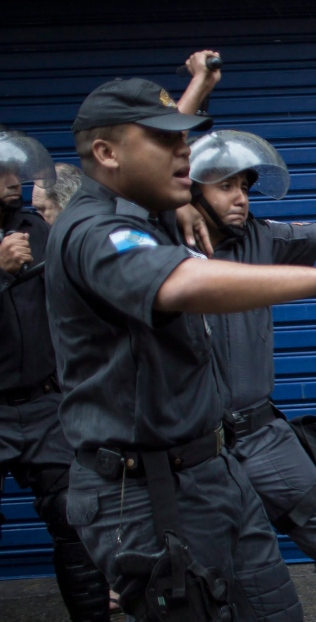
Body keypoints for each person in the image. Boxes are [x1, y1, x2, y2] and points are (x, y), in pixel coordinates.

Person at [48, 77, 316, 620]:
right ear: (105, 153)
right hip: (146, 490)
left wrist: (197, 90)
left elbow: (156, 152)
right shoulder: (97, 230)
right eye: (166, 143)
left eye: (185, 143)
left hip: (213, 471)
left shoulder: (153, 216)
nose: (184, 155)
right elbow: (180, 286)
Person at [0, 129, 111, 621]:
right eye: (1, 172)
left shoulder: (42, 226)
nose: (14, 179)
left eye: (16, 170)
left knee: (77, 518)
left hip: (47, 405)